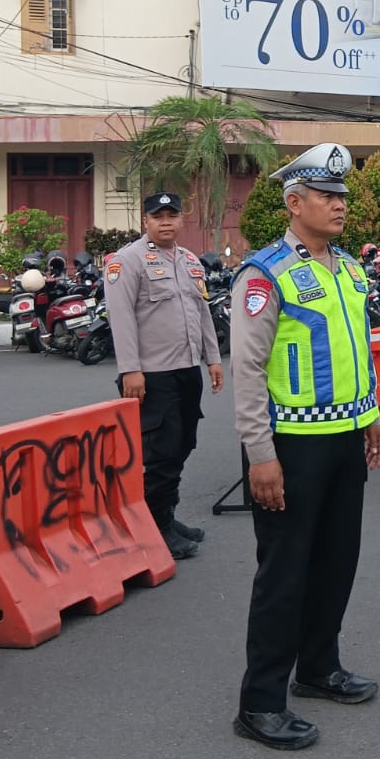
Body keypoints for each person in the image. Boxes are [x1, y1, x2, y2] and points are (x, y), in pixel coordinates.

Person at [229, 143, 380, 752]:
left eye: (342, 195)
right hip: (290, 446)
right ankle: (260, 702)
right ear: (295, 204)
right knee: (284, 573)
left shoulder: (348, 268)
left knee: (337, 561)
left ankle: (319, 668)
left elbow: (357, 349)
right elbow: (246, 370)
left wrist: (370, 416)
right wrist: (258, 453)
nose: (340, 205)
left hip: (345, 438)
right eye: (327, 195)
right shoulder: (264, 275)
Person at [105, 191, 225, 561]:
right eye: (158, 216)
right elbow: (121, 317)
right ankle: (155, 526)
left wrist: (213, 358)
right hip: (152, 375)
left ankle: (166, 517)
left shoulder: (190, 261)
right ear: (146, 221)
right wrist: (130, 369)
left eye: (172, 215)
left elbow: (202, 312)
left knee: (183, 445)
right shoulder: (127, 261)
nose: (166, 222)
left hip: (187, 369)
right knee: (161, 451)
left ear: (181, 220)